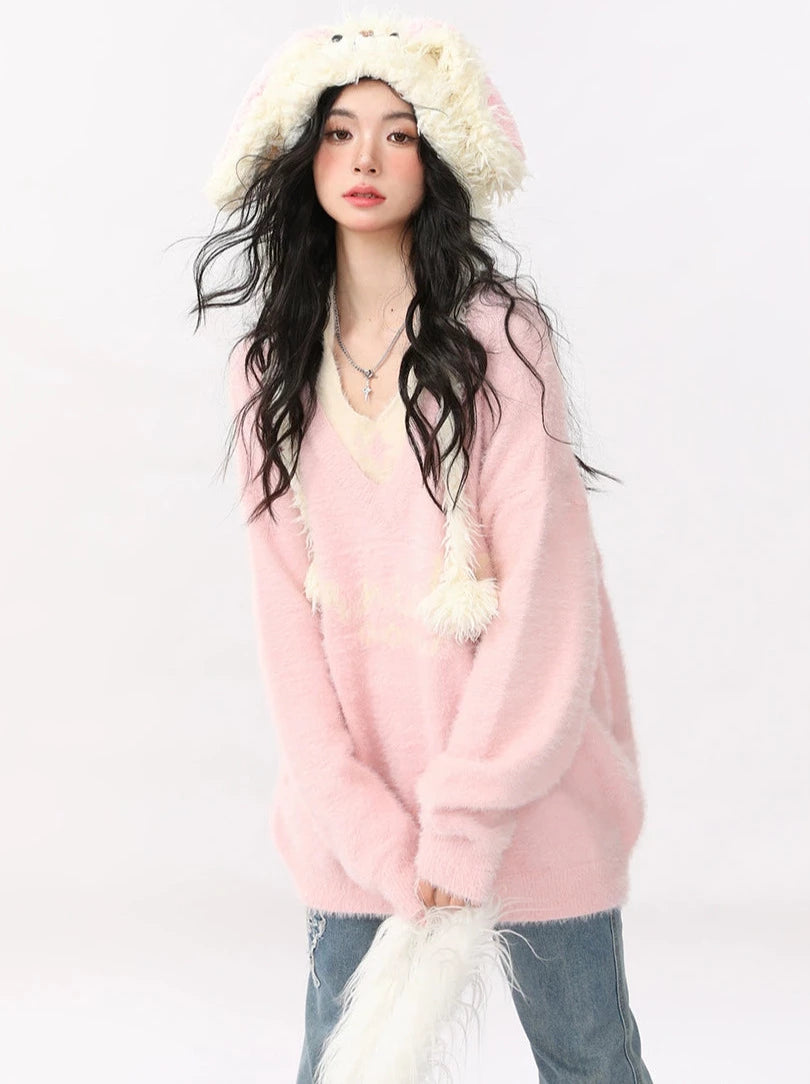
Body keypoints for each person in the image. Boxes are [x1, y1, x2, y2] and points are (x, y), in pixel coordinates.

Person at [193, 12, 655, 1084]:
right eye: (339, 131)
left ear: (436, 157)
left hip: (526, 793)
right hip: (358, 815)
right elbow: (286, 628)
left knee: (590, 1058)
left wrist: (464, 822)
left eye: (397, 133)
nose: (365, 159)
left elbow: (545, 600)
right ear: (303, 154)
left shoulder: (500, 338)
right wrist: (365, 823)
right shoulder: (270, 366)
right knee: (339, 1063)